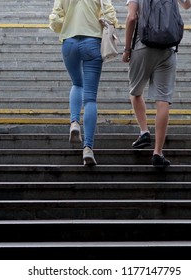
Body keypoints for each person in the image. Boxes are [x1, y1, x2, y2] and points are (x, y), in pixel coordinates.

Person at [122, 0, 191, 167]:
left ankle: (144, 131)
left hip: (142, 45)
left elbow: (131, 18)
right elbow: (187, 4)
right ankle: (158, 152)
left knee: (135, 92)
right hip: (168, 49)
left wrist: (126, 49)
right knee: (163, 100)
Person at [49, 0, 119, 166]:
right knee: (90, 99)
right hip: (92, 43)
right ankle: (88, 148)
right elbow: (110, 16)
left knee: (77, 84)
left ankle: (74, 123)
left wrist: (68, 24)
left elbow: (54, 20)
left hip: (69, 43)